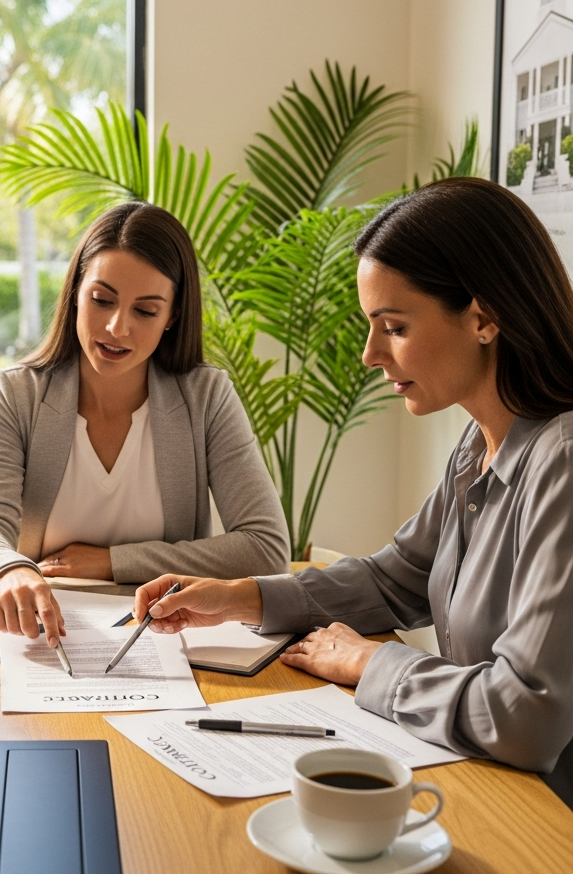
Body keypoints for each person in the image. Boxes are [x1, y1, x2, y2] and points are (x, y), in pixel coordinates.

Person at [133, 177, 573, 808]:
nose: (370, 354)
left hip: (546, 822)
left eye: (392, 326)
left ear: (483, 317)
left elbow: (527, 715)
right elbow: (396, 579)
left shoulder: (561, 464)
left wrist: (370, 664)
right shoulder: (481, 447)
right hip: (487, 783)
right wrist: (241, 598)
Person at [0, 201, 290, 648]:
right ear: (75, 292)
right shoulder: (16, 393)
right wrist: (9, 568)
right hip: (43, 639)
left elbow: (266, 548)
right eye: (102, 300)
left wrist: (112, 562)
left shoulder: (206, 396)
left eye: (145, 311)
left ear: (172, 317)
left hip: (164, 639)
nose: (117, 328)